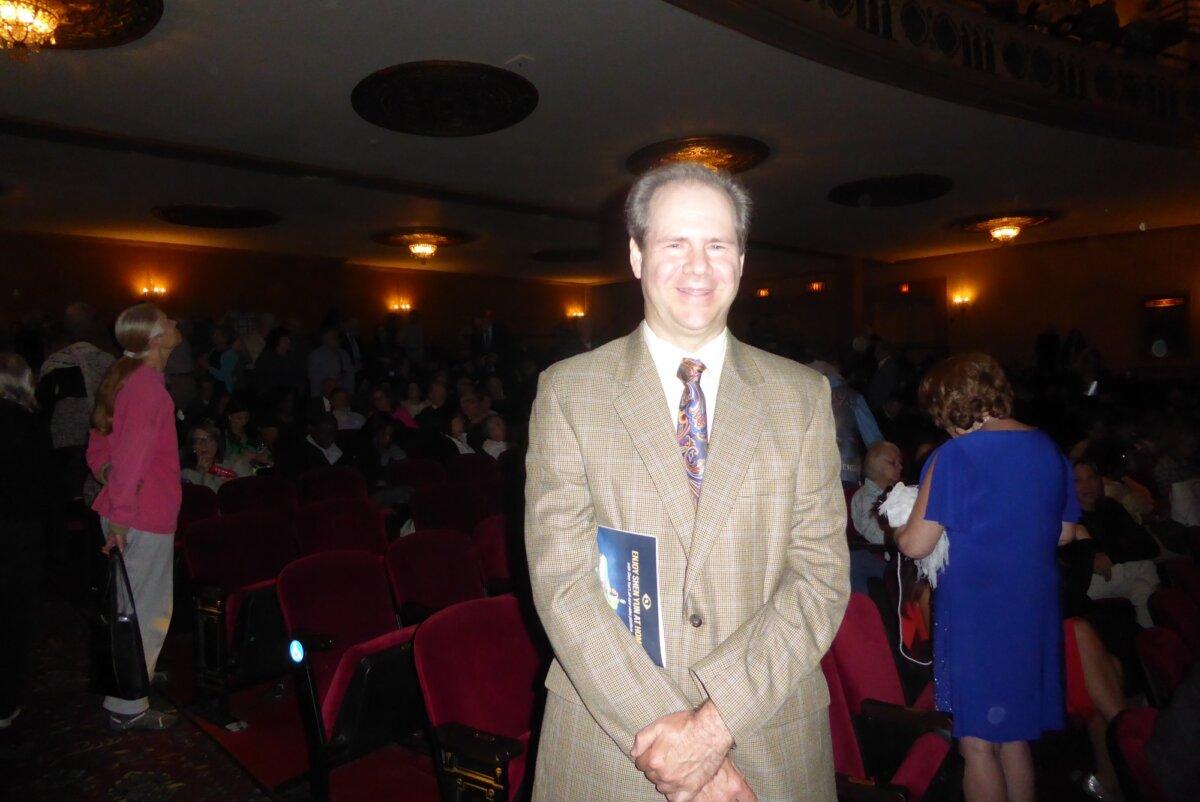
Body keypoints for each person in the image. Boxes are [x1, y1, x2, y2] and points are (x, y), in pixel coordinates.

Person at [525, 162, 848, 801]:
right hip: (613, 740)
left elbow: (820, 576)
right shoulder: (569, 392)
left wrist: (712, 726)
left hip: (769, 734)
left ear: (741, 259)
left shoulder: (801, 396)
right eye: (675, 243)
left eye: (717, 244)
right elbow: (562, 582)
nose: (698, 266)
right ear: (637, 255)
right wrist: (667, 734)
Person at [896, 352, 1078, 802]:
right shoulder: (1050, 450)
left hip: (979, 613)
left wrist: (897, 522)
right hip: (1031, 608)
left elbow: (916, 544)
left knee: (977, 742)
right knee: (1014, 734)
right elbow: (1066, 533)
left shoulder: (955, 456)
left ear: (952, 405)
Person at [85, 303, 183, 732]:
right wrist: (121, 520)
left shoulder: (131, 380)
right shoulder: (148, 390)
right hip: (141, 516)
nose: (176, 323)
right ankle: (128, 704)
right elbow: (134, 459)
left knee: (132, 607)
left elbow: (103, 444)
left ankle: (132, 676)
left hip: (131, 511)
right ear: (155, 338)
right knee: (147, 609)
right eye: (168, 321)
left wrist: (108, 475)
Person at [0, 353, 56, 729]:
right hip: (18, 532)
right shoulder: (28, 424)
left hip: (14, 527)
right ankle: (5, 701)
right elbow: (44, 485)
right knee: (12, 617)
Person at [1074, 459, 1160, 628]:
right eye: (1078, 481)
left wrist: (1112, 556)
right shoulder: (1066, 517)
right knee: (1146, 569)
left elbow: (1149, 546)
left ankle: (1150, 638)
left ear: (1100, 480)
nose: (1087, 485)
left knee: (1143, 588)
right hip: (1087, 584)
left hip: (1118, 574)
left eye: (1092, 478)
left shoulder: (1111, 507)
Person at [181, 419, 242, 489]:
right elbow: (208, 497)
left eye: (209, 439)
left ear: (217, 443)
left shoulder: (235, 465)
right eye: (197, 440)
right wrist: (205, 472)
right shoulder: (187, 474)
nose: (203, 444)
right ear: (193, 446)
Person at [307, 324, 354, 398]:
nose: (337, 340)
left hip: (342, 395)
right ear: (325, 338)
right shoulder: (315, 355)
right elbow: (314, 379)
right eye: (333, 337)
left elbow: (350, 374)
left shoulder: (343, 354)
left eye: (337, 337)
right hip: (324, 396)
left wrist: (349, 392)